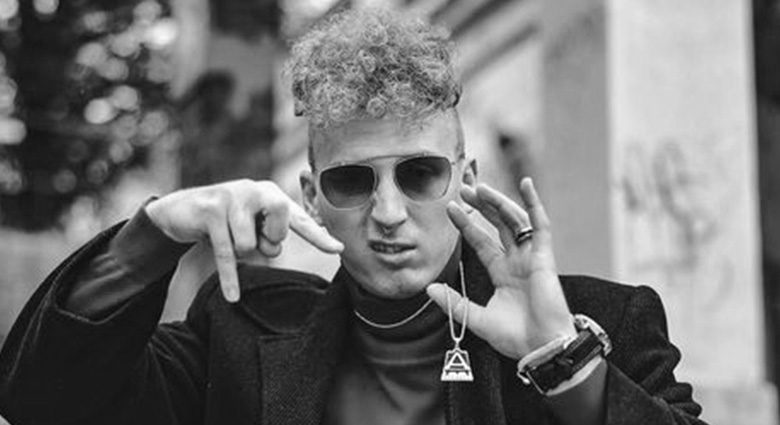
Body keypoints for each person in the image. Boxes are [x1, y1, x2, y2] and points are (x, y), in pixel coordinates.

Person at [0, 8, 706, 425]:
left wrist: (563, 363)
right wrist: (154, 234)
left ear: (466, 179)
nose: (389, 213)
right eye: (351, 182)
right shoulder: (240, 332)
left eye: (420, 174)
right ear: (311, 195)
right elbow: (41, 400)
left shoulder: (605, 322)